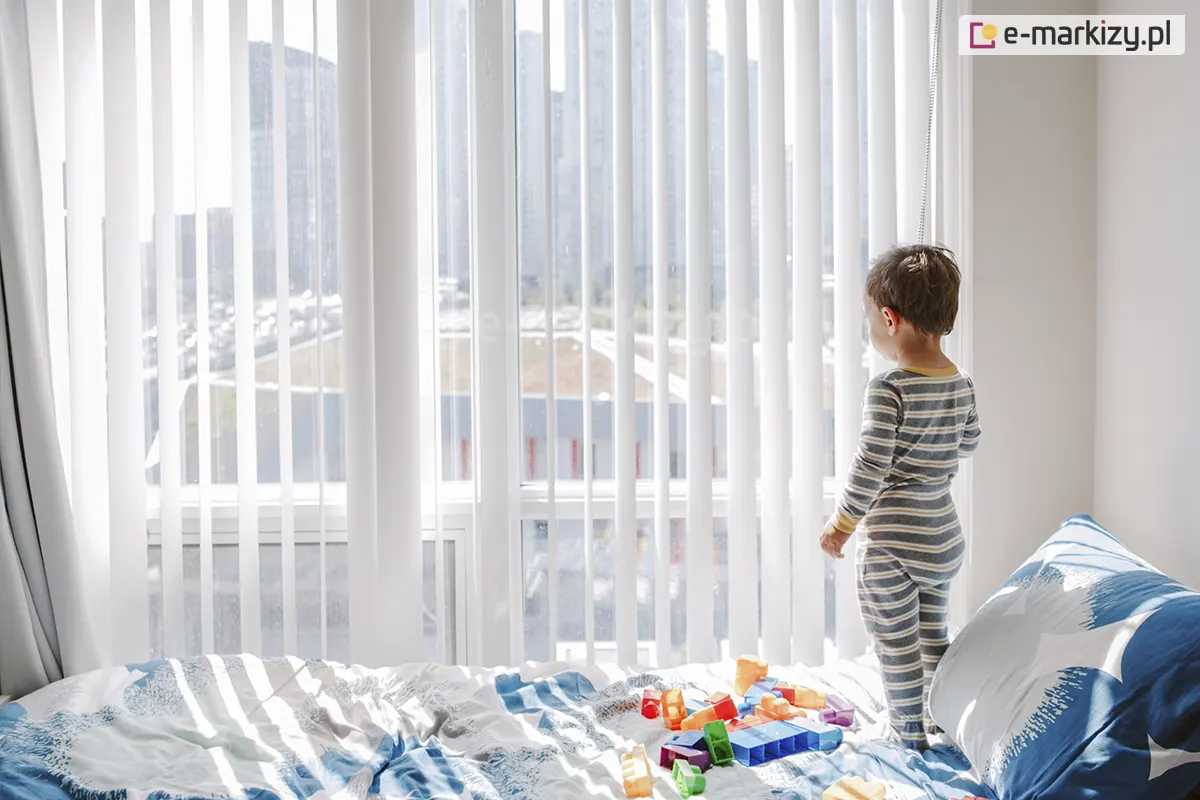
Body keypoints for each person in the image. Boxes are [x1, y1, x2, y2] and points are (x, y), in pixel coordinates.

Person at [820, 244, 981, 750]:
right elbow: (969, 442)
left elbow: (871, 464)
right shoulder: (961, 382)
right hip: (942, 537)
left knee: (896, 643)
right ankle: (941, 720)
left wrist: (842, 524)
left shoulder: (888, 387)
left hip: (894, 544)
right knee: (933, 636)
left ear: (889, 319)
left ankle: (906, 734)